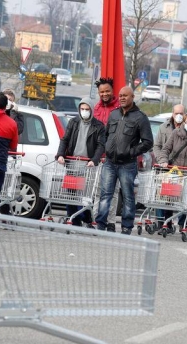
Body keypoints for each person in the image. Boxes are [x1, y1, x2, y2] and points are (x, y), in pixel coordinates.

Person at [96, 86, 152, 235]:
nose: (121, 98)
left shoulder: (140, 118)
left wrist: (131, 152)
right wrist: (106, 148)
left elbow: (148, 142)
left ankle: (127, 227)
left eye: (125, 96)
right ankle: (100, 224)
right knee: (105, 195)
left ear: (132, 97)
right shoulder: (113, 115)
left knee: (128, 197)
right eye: (120, 95)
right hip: (109, 162)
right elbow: (106, 135)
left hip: (128, 164)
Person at [56, 97, 106, 226]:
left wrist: (94, 160)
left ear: (91, 110)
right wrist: (60, 154)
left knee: (84, 196)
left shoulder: (98, 126)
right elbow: (65, 139)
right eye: (82, 109)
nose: (84, 111)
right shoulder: (73, 122)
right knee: (71, 194)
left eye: (87, 109)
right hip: (72, 163)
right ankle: (74, 219)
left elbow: (101, 145)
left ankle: (87, 218)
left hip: (87, 165)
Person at [157, 112, 187, 230]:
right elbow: (165, 149)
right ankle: (168, 223)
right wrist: (163, 160)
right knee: (169, 198)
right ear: (183, 123)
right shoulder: (175, 133)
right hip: (175, 171)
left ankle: (183, 224)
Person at [93, 77, 120, 232]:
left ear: (112, 91)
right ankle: (98, 219)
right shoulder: (96, 108)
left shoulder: (119, 108)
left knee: (113, 191)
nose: (104, 94)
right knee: (97, 190)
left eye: (107, 91)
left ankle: (110, 221)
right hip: (99, 155)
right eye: (101, 92)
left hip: (114, 156)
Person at [154, 104, 185, 230]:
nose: (179, 116)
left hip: (181, 169)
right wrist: (162, 160)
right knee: (162, 196)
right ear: (172, 114)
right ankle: (162, 223)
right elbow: (157, 146)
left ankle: (183, 225)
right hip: (165, 167)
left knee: (180, 197)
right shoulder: (163, 127)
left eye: (181, 113)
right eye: (176, 113)